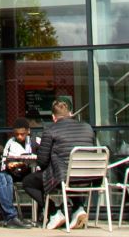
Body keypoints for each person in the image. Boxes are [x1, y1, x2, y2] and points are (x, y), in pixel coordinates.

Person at [30, 95, 98, 230]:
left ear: (53, 117)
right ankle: (78, 209)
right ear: (71, 114)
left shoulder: (50, 130)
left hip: (65, 177)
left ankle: (54, 213)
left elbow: (42, 162)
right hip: (90, 176)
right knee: (72, 174)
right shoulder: (88, 128)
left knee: (30, 182)